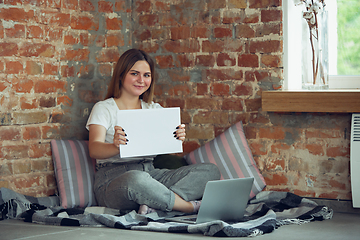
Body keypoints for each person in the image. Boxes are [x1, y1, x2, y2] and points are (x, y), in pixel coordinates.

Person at [86, 48, 220, 215]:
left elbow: (163, 144)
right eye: (135, 74)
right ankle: (187, 206)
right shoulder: (104, 108)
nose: (141, 80)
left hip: (151, 173)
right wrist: (116, 146)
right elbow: (94, 149)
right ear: (121, 75)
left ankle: (154, 203)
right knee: (137, 179)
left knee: (210, 171)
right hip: (114, 179)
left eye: (146, 75)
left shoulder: (153, 109)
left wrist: (176, 137)